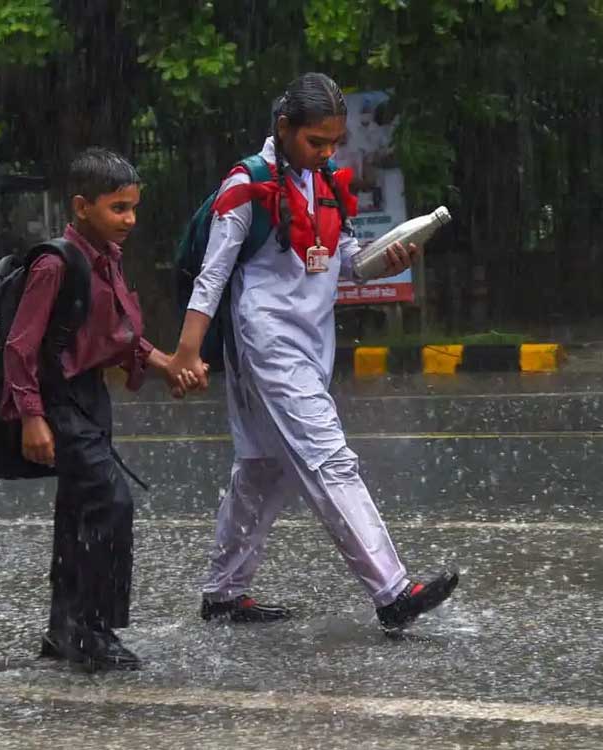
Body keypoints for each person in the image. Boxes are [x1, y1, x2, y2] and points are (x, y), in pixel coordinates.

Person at [168, 73, 459, 634]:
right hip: (266, 341)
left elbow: (343, 256)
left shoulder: (322, 181)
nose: (327, 153)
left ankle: (224, 593)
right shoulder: (245, 184)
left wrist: (381, 258)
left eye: (333, 143)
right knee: (329, 456)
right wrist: (186, 351)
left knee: (263, 468)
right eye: (315, 142)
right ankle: (392, 590)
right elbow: (212, 274)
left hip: (311, 341)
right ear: (283, 127)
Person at [1, 148, 196, 670]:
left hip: (89, 398)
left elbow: (118, 338)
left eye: (133, 207)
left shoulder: (106, 257)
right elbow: (20, 346)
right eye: (118, 208)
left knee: (78, 513)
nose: (129, 219)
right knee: (111, 504)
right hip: (58, 401)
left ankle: (64, 627)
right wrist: (32, 416)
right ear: (82, 207)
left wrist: (168, 364)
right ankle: (93, 629)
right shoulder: (54, 264)